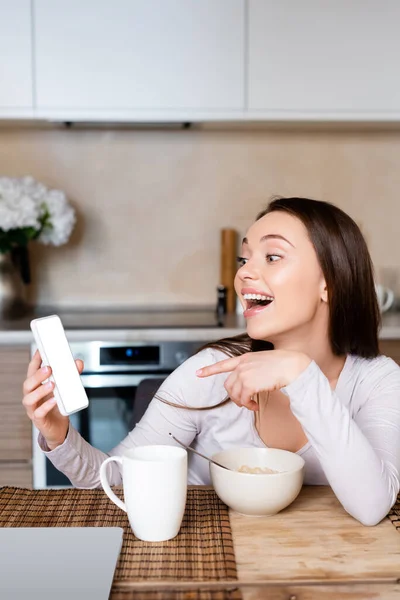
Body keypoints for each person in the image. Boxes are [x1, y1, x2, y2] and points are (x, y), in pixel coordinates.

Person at [22, 197, 400, 526]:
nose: (244, 272)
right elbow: (116, 482)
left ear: (329, 284)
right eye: (245, 257)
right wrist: (59, 434)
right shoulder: (210, 371)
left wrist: (301, 375)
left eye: (272, 257)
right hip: (202, 557)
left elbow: (371, 507)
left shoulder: (377, 382)